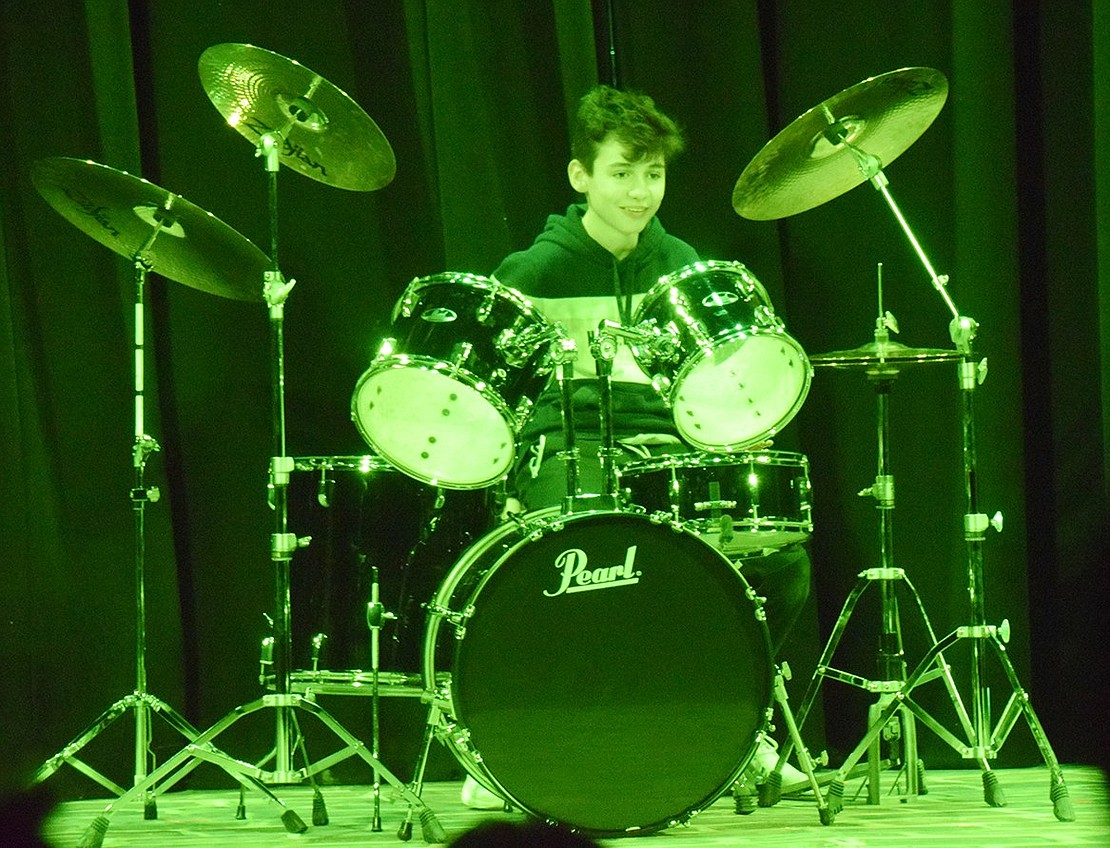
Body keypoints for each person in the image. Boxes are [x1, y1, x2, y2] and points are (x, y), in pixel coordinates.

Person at [453, 86, 811, 811]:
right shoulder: (531, 274)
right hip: (568, 457)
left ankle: (738, 730)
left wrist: (746, 424)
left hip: (667, 456)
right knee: (559, 562)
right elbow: (497, 400)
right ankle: (504, 744)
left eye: (653, 174)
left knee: (782, 559)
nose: (640, 191)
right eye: (622, 173)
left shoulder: (682, 268)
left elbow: (725, 384)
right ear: (580, 176)